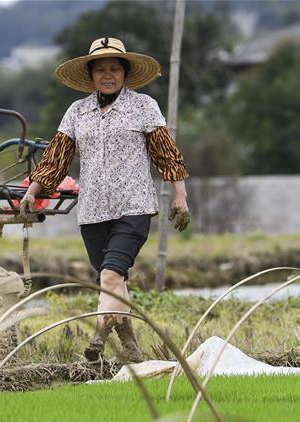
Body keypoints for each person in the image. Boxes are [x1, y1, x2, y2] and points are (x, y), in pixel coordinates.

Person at [22, 36, 190, 363]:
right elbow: (57, 158)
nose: (108, 74)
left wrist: (180, 196)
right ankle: (131, 346)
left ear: (125, 73)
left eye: (114, 68)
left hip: (134, 206)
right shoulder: (77, 112)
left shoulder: (144, 107)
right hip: (92, 212)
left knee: (110, 276)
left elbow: (167, 156)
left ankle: (99, 335)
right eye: (101, 70)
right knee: (113, 281)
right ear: (91, 75)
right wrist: (33, 190)